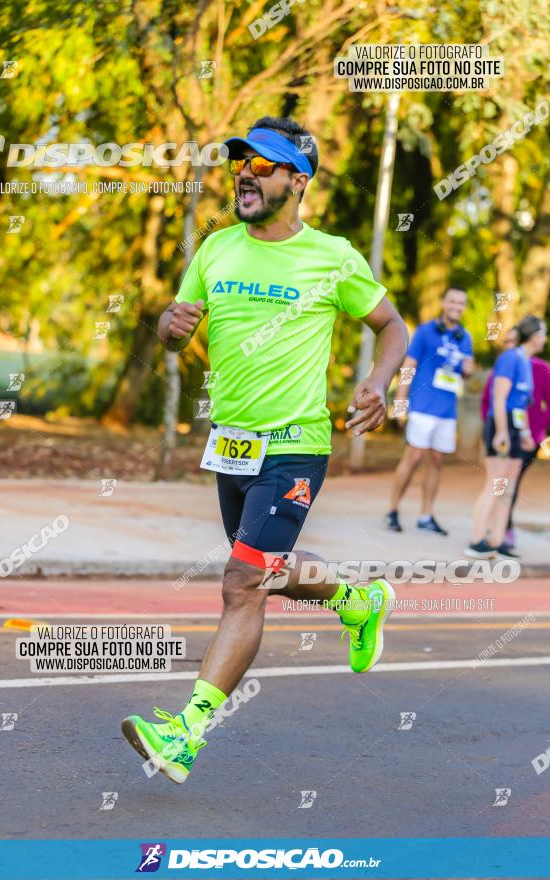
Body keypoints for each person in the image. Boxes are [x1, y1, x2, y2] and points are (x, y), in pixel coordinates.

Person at [121, 116, 408, 783]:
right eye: (240, 162)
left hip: (294, 445)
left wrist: (376, 380)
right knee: (268, 571)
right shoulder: (216, 249)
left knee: (241, 582)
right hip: (231, 445)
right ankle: (357, 601)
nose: (244, 172)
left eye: (263, 163)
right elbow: (173, 330)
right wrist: (170, 326)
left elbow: (391, 325)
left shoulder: (332, 256)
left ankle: (186, 733)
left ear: (296, 181)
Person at [386, 288, 475, 534]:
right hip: (422, 407)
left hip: (447, 411)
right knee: (413, 458)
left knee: (437, 462)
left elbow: (464, 374)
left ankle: (426, 516)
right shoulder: (425, 331)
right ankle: (392, 510)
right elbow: (408, 367)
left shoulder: (464, 337)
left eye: (461, 302)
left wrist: (468, 371)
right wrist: (401, 404)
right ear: (443, 303)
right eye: (453, 301)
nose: (457, 305)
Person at [467, 315, 548, 558]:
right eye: (543, 333)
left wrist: (523, 433)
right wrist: (502, 432)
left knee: (508, 487)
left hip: (515, 426)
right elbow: (499, 398)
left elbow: (521, 403)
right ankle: (476, 540)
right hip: (500, 425)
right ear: (534, 336)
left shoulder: (525, 362)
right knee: (495, 483)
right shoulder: (509, 359)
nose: (545, 338)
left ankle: (497, 540)